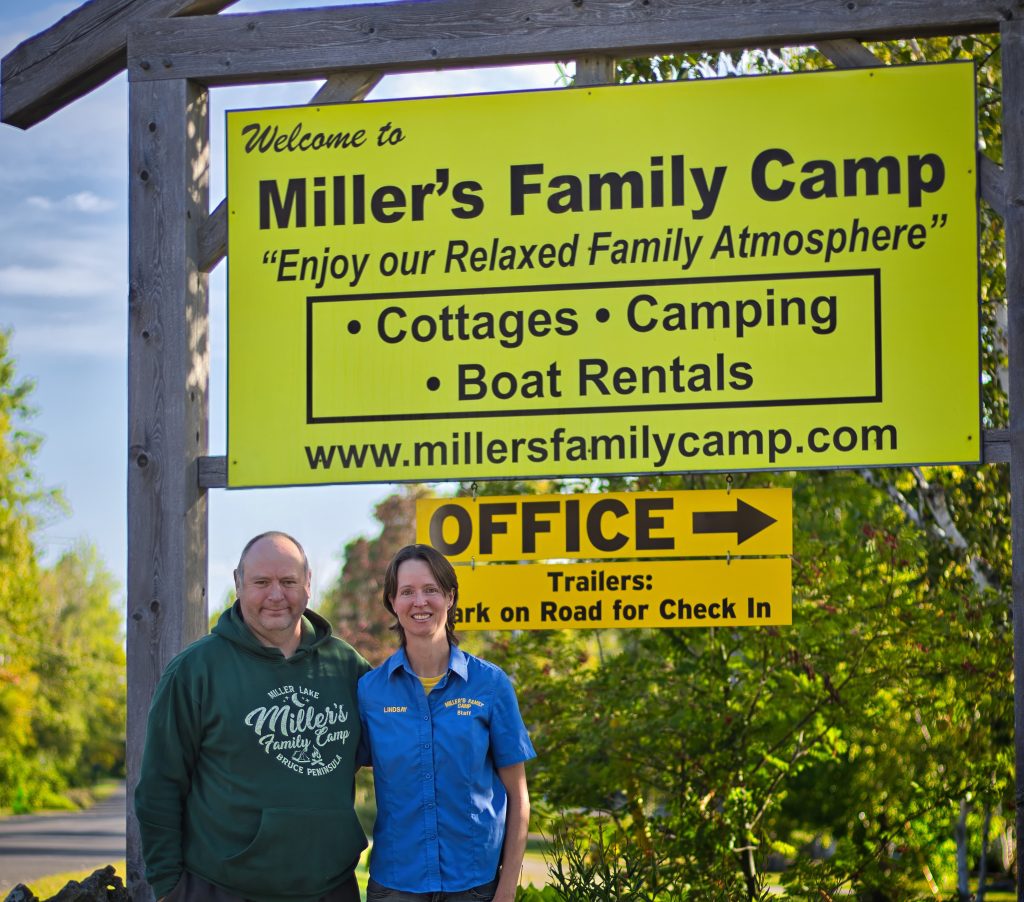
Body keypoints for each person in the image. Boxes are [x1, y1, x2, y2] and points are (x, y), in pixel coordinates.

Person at [134, 531, 370, 902]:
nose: (276, 595)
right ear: (239, 584)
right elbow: (159, 785)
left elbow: (391, 750)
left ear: (308, 583)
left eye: (288, 582)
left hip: (331, 888)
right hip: (220, 888)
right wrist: (168, 888)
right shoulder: (196, 670)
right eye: (261, 582)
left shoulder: (346, 666)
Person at [358, 544, 535, 902]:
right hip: (396, 885)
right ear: (393, 601)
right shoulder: (370, 691)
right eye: (407, 592)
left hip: (475, 886)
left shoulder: (490, 685)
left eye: (431, 590)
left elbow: (518, 796)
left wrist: (507, 889)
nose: (419, 602)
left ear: (450, 597)